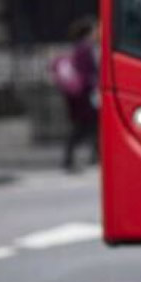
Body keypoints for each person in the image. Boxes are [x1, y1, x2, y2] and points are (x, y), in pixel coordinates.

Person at [54, 17, 99, 172]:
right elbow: (87, 73)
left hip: (83, 94)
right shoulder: (85, 49)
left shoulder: (81, 47)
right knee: (84, 126)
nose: (97, 33)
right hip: (85, 95)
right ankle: (70, 158)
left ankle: (95, 156)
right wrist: (94, 86)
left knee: (92, 126)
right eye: (95, 30)